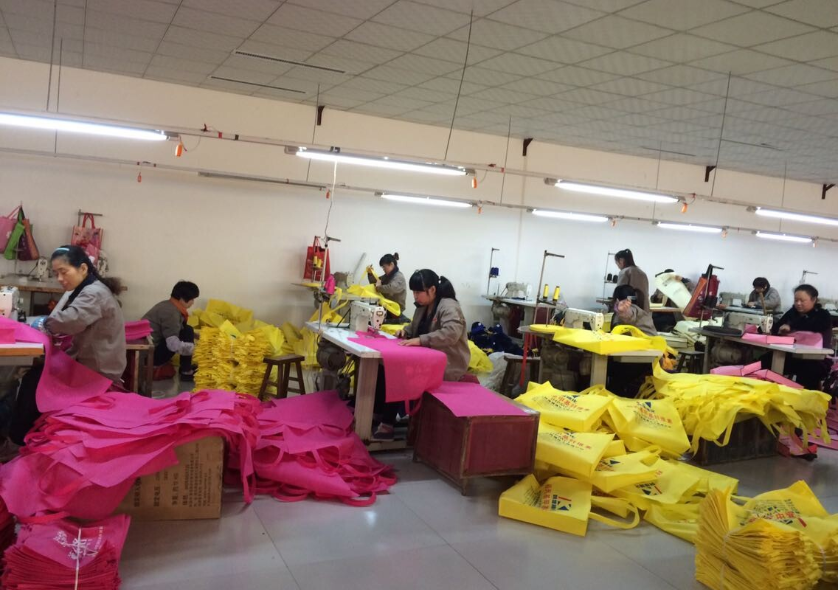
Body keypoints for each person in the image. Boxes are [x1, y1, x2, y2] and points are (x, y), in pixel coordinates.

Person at [10, 245, 126, 445]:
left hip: (97, 371)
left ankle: (19, 440)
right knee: (35, 375)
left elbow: (70, 321)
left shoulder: (94, 293)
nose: (60, 278)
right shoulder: (90, 288)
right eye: (56, 273)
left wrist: (44, 323)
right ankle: (23, 436)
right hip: (91, 362)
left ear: (83, 268)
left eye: (64, 272)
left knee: (33, 381)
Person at [372, 269, 470, 440]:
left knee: (398, 371)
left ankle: (387, 424)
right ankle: (377, 413)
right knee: (383, 367)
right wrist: (405, 331)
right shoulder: (423, 307)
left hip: (447, 365)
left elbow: (451, 333)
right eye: (414, 292)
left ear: (432, 290)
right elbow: (414, 327)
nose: (415, 296)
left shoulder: (449, 306)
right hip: (427, 359)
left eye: (418, 292)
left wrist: (421, 340)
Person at [767, 284, 833, 390]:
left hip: (818, 359)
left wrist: (791, 326)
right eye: (796, 300)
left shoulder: (822, 315)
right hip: (792, 355)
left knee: (809, 372)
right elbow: (776, 328)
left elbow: (812, 326)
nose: (798, 303)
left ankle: (805, 399)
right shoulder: (792, 312)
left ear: (813, 299)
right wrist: (777, 329)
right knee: (766, 361)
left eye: (802, 300)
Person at [143, 281, 199, 381]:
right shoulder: (171, 313)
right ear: (182, 299)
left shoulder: (167, 305)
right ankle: (186, 371)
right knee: (187, 331)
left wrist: (199, 337)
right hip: (149, 355)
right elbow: (173, 345)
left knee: (187, 329)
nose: (193, 302)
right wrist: (198, 350)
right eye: (192, 299)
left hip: (148, 350)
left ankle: (186, 368)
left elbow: (179, 327)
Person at [369, 253, 407, 322]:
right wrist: (370, 274)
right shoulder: (387, 276)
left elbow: (391, 288)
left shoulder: (399, 277)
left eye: (384, 267)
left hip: (395, 311)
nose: (383, 269)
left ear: (391, 264)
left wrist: (378, 287)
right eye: (382, 268)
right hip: (387, 308)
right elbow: (375, 282)